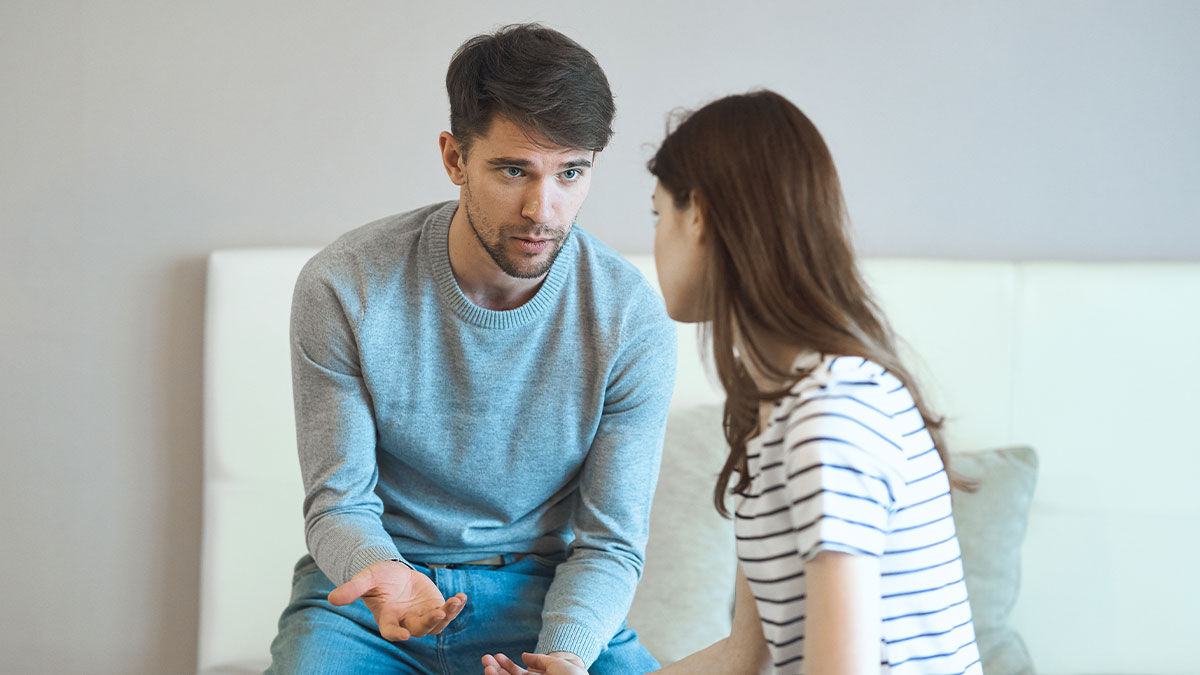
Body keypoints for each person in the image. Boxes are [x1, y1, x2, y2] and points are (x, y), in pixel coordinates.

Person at [483, 91, 981, 674]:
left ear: (699, 216)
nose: (657, 240)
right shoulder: (773, 411)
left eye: (659, 215)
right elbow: (744, 654)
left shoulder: (830, 418)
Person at [266, 23, 676, 675]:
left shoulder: (629, 317)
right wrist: (381, 570)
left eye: (571, 172)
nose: (543, 209)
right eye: (514, 170)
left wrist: (566, 653)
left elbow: (610, 544)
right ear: (455, 158)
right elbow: (338, 504)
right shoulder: (346, 285)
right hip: (377, 592)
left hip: (542, 596)